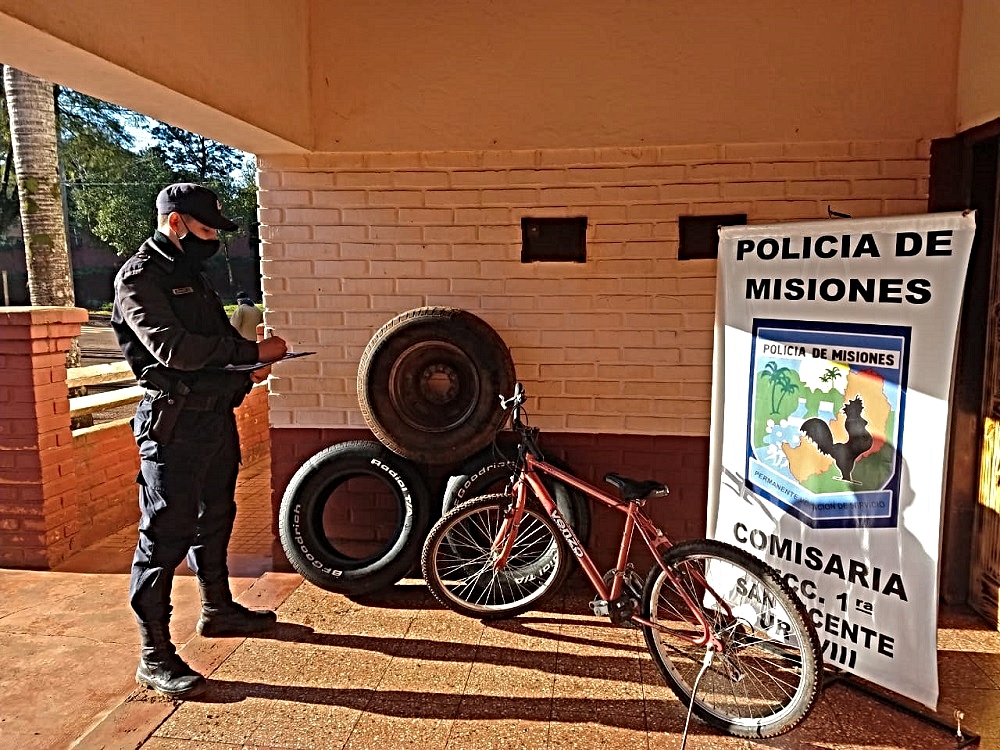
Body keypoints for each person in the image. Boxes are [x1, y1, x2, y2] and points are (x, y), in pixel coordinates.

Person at [111, 183, 288, 699]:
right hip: (172, 427)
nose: (213, 240)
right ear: (175, 223)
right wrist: (250, 352)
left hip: (213, 418)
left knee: (217, 516)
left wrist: (251, 358)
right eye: (207, 230)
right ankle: (154, 655)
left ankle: (217, 609)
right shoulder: (139, 279)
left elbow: (221, 346)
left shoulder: (193, 275)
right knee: (165, 534)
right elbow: (176, 351)